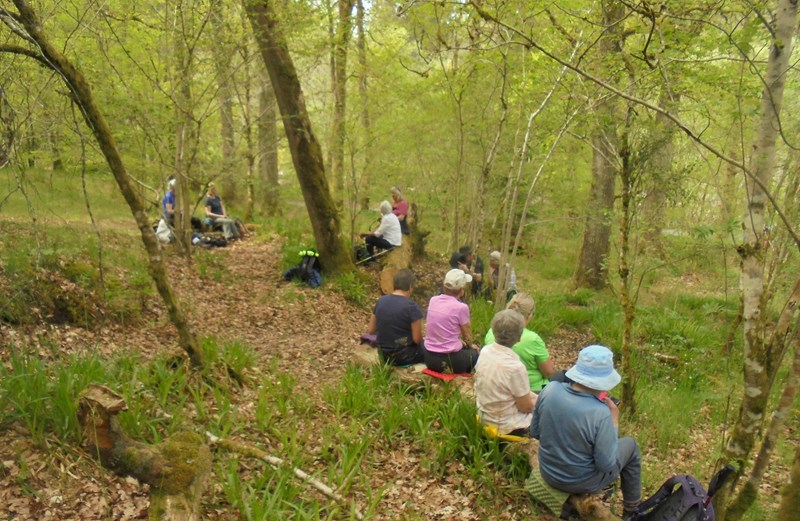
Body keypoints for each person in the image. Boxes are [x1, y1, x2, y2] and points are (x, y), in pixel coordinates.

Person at [532, 345, 641, 518]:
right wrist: (613, 421)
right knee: (631, 445)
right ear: (605, 380)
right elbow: (607, 465)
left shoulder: (549, 390)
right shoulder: (601, 414)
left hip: (548, 471)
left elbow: (535, 432)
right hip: (580, 482)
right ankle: (632, 510)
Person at [475, 309, 538, 437]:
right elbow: (525, 407)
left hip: (485, 417)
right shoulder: (515, 367)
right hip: (507, 427)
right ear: (519, 337)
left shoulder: (485, 351)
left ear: (493, 331)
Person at [484, 293, 554, 392]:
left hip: (498, 385)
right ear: (529, 315)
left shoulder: (492, 331)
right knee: (559, 379)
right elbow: (548, 372)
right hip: (530, 389)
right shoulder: (532, 339)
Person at [422, 269, 479, 373]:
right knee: (474, 354)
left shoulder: (433, 300)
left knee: (463, 346)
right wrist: (472, 346)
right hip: (449, 359)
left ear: (444, 287)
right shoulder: (461, 307)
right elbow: (467, 335)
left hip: (429, 357)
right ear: (462, 290)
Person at [366, 269, 424, 366]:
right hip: (403, 356)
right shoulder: (412, 307)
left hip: (383, 354)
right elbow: (417, 339)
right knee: (428, 348)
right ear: (410, 286)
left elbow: (370, 330)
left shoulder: (381, 301)